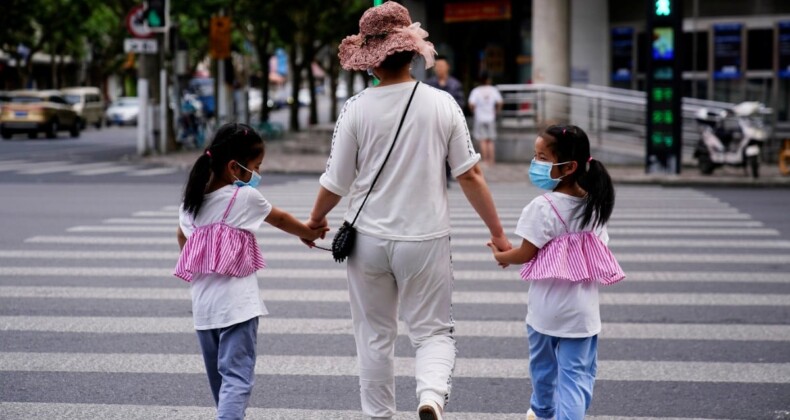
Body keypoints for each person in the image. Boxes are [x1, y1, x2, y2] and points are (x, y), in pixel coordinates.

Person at [307, 2, 512, 419]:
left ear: (371, 61)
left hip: (367, 241)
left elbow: (336, 181)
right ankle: (431, 397)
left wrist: (313, 222)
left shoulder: (356, 109)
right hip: (425, 239)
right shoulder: (443, 105)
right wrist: (499, 233)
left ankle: (379, 416)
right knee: (433, 333)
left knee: (374, 337)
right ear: (412, 53)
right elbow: (470, 176)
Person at [173, 123, 327, 420]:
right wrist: (307, 232)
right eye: (256, 167)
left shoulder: (190, 202)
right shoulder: (242, 198)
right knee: (237, 380)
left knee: (222, 384)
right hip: (237, 309)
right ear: (234, 167)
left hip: (204, 311)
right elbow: (280, 219)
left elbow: (181, 237)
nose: (258, 173)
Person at [486, 125, 623, 420]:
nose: (535, 164)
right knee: (575, 378)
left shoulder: (542, 207)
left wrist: (501, 255)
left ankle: (542, 412)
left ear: (569, 166)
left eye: (542, 158)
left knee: (543, 369)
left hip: (544, 311)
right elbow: (600, 249)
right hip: (581, 315)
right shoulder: (594, 206)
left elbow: (525, 254)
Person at [468, 73, 503, 167]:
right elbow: (500, 102)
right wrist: (497, 111)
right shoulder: (493, 90)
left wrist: (473, 112)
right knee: (490, 140)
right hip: (490, 117)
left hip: (480, 117)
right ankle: (492, 160)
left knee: (482, 140)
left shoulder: (476, 91)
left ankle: (485, 160)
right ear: (489, 80)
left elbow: (471, 104)